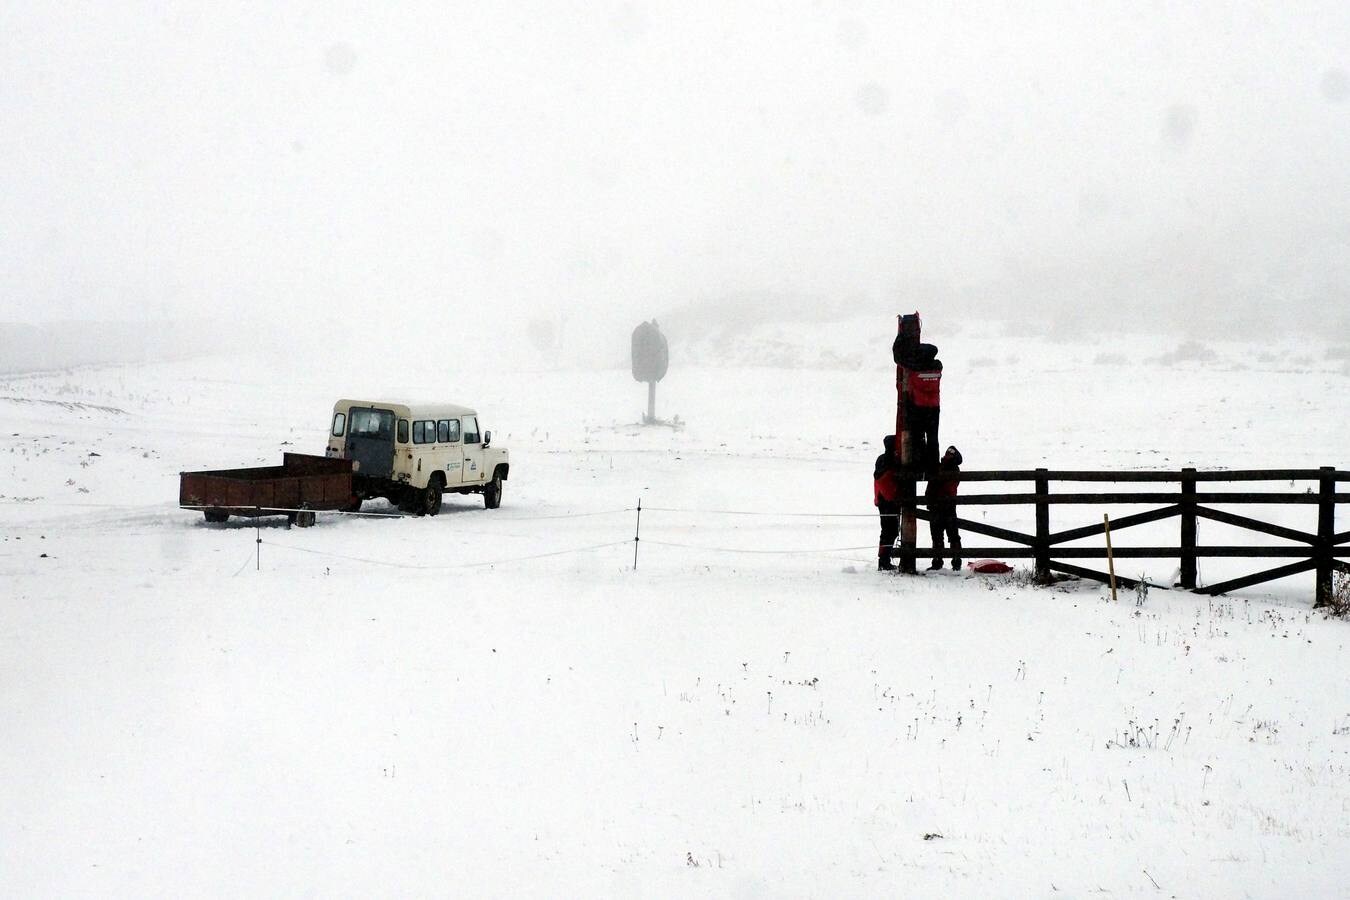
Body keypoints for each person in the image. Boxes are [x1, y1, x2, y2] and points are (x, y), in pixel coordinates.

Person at [906, 343, 942, 473]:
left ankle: (919, 464)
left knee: (918, 437)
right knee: (933, 438)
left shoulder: (915, 368)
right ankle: (933, 465)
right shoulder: (937, 367)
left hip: (919, 407)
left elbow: (902, 360)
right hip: (934, 408)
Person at [926, 445, 963, 570]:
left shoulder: (940, 467)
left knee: (942, 534)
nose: (947, 456)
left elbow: (936, 486)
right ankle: (953, 561)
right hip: (946, 506)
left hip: (941, 506)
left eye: (950, 455)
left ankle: (942, 561)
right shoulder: (950, 469)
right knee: (947, 534)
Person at [874, 434, 901, 570]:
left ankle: (883, 559)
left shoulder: (881, 459)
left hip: (882, 499)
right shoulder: (894, 460)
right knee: (891, 531)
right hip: (890, 500)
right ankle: (884, 561)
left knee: (886, 531)